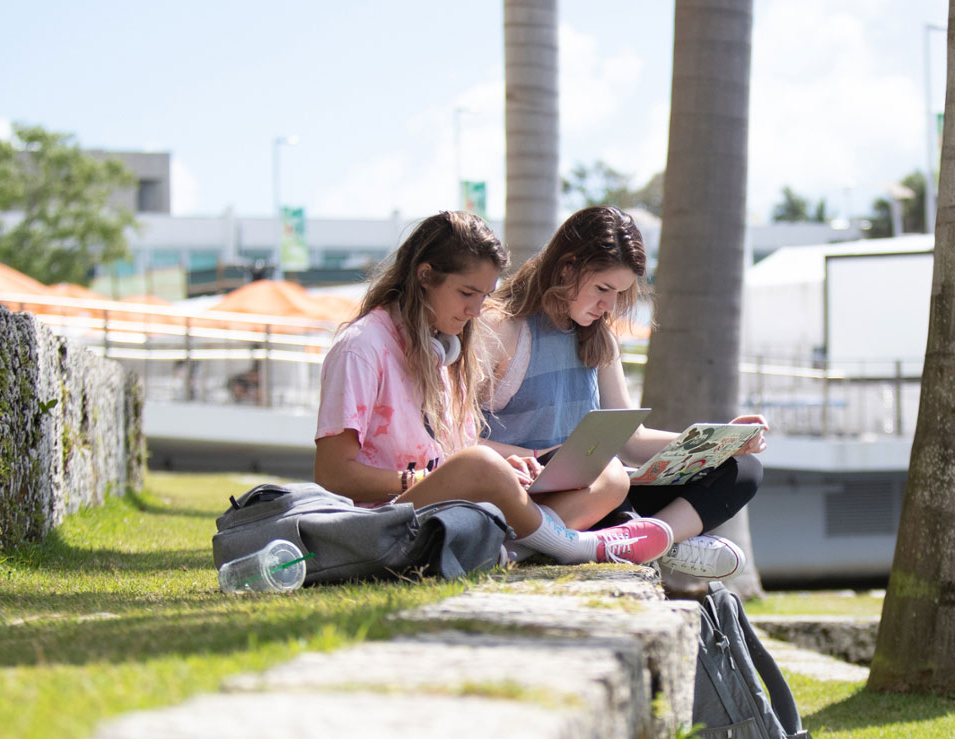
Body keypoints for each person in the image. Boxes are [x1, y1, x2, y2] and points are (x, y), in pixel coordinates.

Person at [313, 210, 671, 566]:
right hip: (386, 520)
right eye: (467, 292)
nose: (476, 310)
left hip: (455, 506)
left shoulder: (443, 345)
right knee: (481, 463)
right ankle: (575, 547)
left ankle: (509, 552)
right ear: (425, 275)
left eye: (485, 295)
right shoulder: (361, 348)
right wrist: (423, 478)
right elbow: (333, 475)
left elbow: (458, 447)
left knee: (609, 477)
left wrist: (513, 465)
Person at [481, 206, 767, 580]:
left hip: (599, 484)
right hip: (530, 489)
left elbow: (631, 442)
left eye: (619, 293)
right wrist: (534, 458)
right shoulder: (501, 326)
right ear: (566, 267)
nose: (609, 306)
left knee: (742, 469)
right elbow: (452, 440)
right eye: (602, 289)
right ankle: (654, 539)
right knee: (603, 471)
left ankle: (642, 538)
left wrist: (721, 441)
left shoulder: (599, 335)